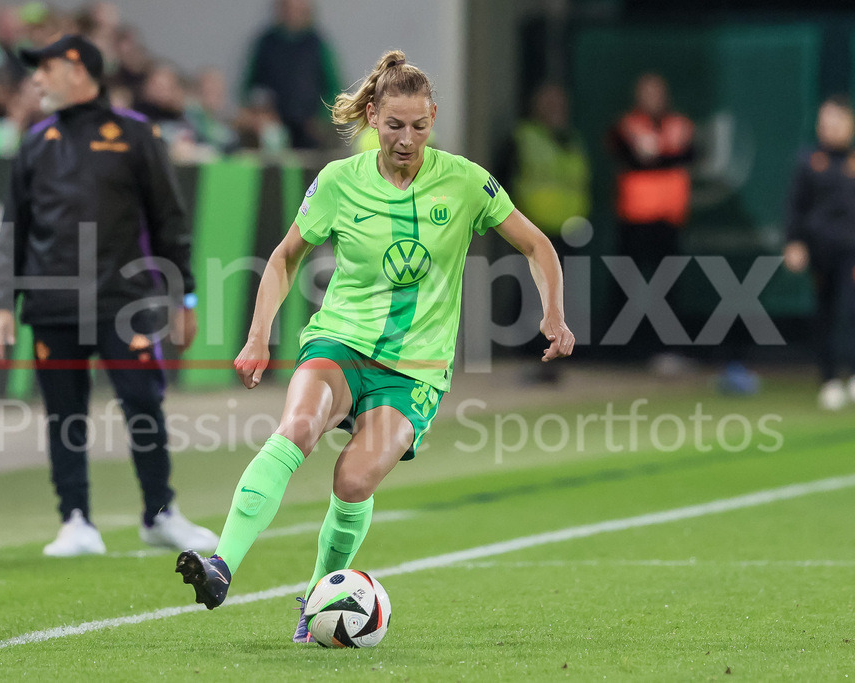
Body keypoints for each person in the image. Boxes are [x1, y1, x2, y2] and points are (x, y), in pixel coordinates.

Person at [174, 49, 575, 642]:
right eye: (393, 126)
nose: (406, 139)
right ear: (370, 118)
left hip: (414, 370)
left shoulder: (465, 182)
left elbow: (538, 246)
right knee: (297, 429)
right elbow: (286, 257)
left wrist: (555, 315)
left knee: (353, 481)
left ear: (433, 117)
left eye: (418, 125)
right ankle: (221, 565)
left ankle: (316, 599)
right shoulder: (339, 181)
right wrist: (258, 336)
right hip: (340, 341)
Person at [0, 35, 218, 557]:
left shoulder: (135, 135)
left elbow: (169, 223)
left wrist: (185, 297)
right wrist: (1, 302)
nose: (36, 80)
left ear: (76, 69)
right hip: (52, 305)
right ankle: (75, 520)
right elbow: (12, 231)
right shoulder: (34, 142)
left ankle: (160, 513)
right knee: (64, 415)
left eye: (44, 69)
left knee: (143, 404)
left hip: (124, 301)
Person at [784, 95, 855, 410]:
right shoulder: (808, 161)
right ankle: (829, 379)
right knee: (825, 313)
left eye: (837, 122)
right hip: (822, 251)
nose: (831, 128)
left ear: (851, 124)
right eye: (825, 122)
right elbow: (796, 207)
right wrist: (794, 243)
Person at [498, 82, 590, 382]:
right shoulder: (523, 138)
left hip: (568, 231)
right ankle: (529, 357)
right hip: (531, 233)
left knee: (564, 297)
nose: (556, 111)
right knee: (531, 297)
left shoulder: (572, 139)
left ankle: (559, 356)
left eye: (560, 104)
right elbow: (504, 185)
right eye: (549, 104)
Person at [607, 73, 694, 359]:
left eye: (657, 93)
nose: (652, 99)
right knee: (627, 285)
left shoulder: (679, 124)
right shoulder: (627, 126)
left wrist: (658, 154)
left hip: (668, 220)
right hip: (635, 219)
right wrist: (661, 154)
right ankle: (620, 352)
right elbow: (628, 154)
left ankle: (667, 349)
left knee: (667, 287)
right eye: (646, 93)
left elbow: (687, 155)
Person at [241, 0, 340, 149]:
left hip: (309, 126)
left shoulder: (317, 44)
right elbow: (251, 86)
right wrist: (258, 113)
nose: (292, 13)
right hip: (273, 125)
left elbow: (334, 87)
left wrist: (321, 117)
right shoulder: (267, 43)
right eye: (288, 8)